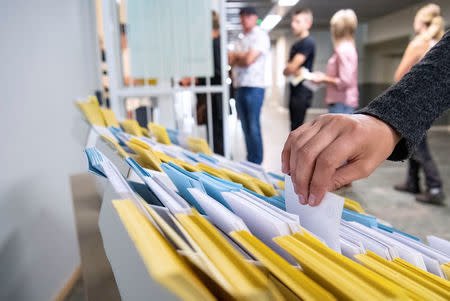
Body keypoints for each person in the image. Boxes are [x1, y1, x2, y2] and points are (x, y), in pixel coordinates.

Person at [281, 30, 450, 207]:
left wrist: (388, 118)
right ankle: (417, 183)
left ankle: (434, 186)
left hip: (347, 102)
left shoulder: (345, 49)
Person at [392, 4, 445, 204]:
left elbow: (400, 75)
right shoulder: (437, 43)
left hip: (414, 102)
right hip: (431, 102)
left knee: (419, 147)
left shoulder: (418, 44)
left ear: (421, 22)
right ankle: (412, 182)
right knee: (412, 141)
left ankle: (435, 187)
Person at [228, 7, 270, 164]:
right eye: (242, 16)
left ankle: (257, 162)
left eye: (248, 16)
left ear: (255, 17)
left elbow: (248, 60)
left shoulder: (260, 36)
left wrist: (239, 57)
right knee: (245, 127)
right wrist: (241, 57)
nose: (244, 19)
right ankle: (250, 160)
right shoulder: (240, 39)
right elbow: (230, 60)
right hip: (239, 87)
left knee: (253, 127)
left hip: (254, 88)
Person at [180, 11, 225, 155]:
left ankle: (219, 169)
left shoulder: (215, 44)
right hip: (211, 99)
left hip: (215, 100)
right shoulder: (213, 43)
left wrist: (196, 79)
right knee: (214, 137)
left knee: (217, 139)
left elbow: (217, 74)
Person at [312, 9, 358, 114]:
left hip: (341, 102)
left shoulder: (343, 49)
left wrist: (324, 78)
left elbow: (345, 80)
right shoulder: (348, 47)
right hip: (342, 102)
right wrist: (324, 77)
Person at [283, 8, 316, 130]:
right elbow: (287, 70)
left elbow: (290, 67)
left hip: (302, 92)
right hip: (294, 90)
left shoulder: (307, 43)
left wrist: (290, 67)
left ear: (308, 24)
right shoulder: (296, 44)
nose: (293, 24)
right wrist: (289, 68)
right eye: (293, 21)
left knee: (297, 129)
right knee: (293, 126)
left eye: (297, 21)